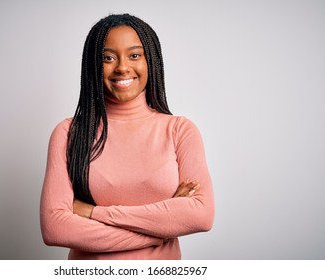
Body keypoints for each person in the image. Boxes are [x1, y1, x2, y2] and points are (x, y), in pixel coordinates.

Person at [40, 13, 214, 260]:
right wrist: (160, 231)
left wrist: (91, 212)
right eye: (108, 58)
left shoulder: (180, 131)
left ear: (150, 61)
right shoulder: (70, 133)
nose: (122, 67)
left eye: (134, 55)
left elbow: (201, 215)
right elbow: (55, 228)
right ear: (93, 65)